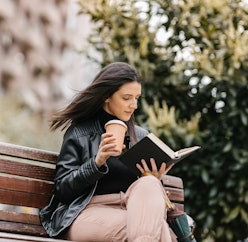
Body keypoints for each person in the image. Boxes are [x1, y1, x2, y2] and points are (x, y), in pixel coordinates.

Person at [40, 62, 177, 242]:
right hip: (85, 213)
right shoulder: (80, 133)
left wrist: (152, 177)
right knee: (158, 232)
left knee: (150, 185)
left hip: (130, 209)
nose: (134, 105)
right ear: (106, 96)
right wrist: (96, 163)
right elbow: (62, 190)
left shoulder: (140, 137)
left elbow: (146, 200)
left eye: (137, 98)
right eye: (127, 98)